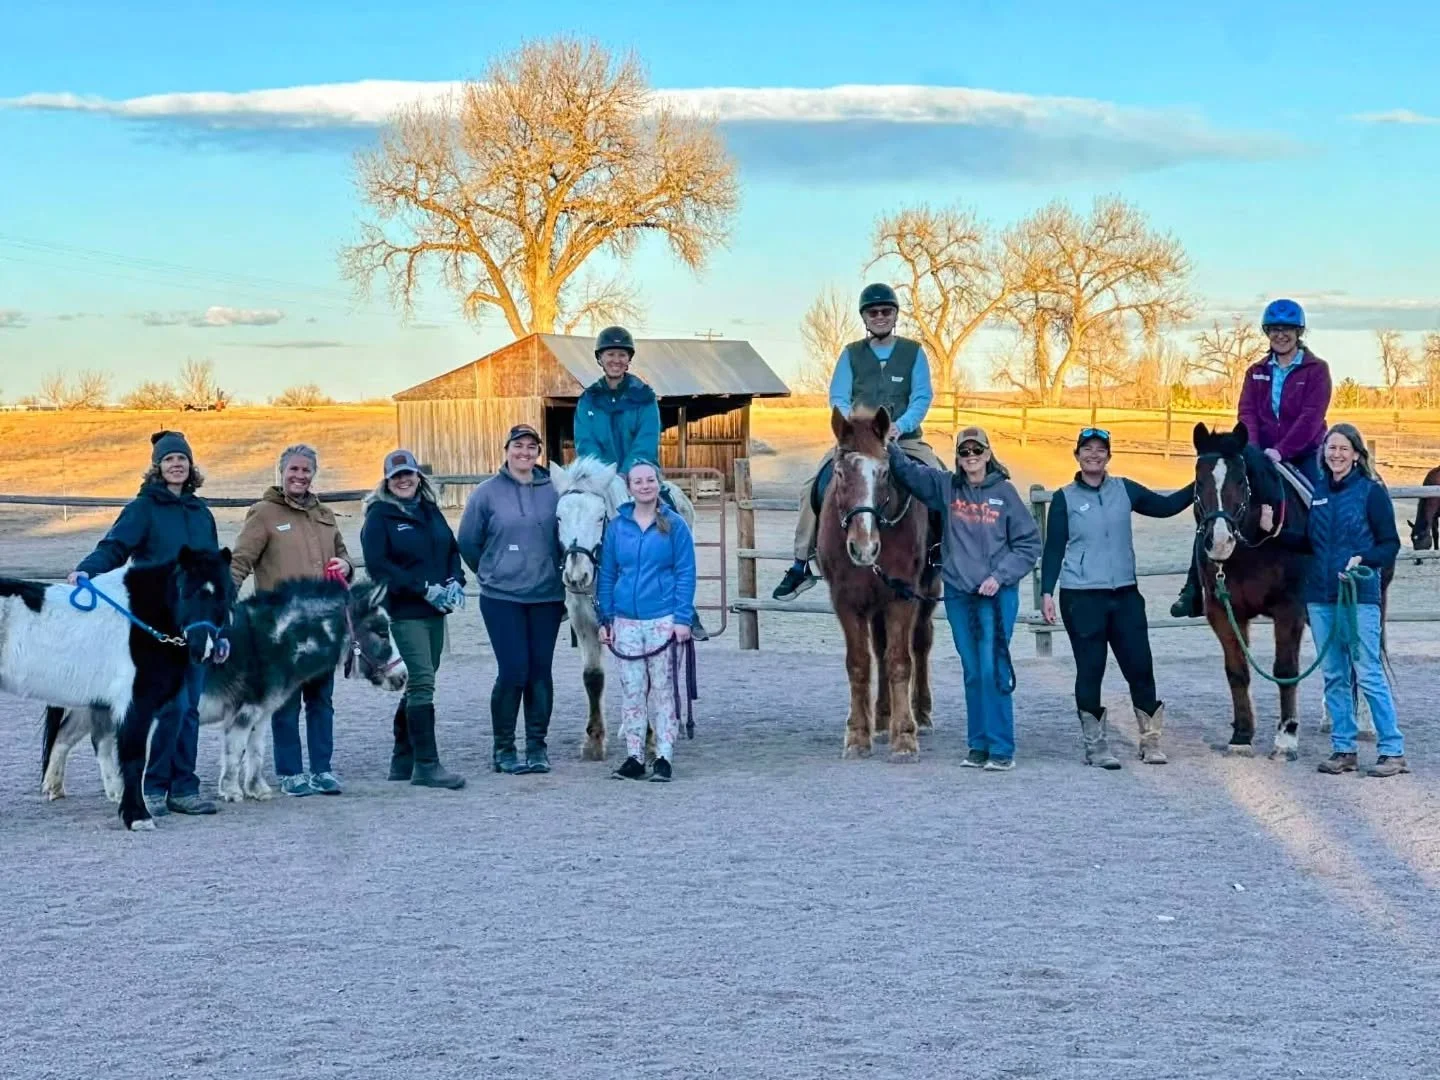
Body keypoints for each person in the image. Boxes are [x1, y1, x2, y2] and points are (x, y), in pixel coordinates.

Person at [68, 430, 220, 817]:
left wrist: (222, 629)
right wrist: (88, 570)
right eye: (169, 459)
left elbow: (213, 577)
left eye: (182, 459)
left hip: (197, 625)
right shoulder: (143, 509)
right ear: (158, 467)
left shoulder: (201, 514)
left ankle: (184, 787)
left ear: (191, 466)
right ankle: (152, 786)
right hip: (155, 628)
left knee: (190, 709)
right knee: (169, 706)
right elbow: (115, 546)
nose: (176, 465)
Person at [774, 282, 945, 601]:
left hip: (904, 439)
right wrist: (852, 431)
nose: (880, 316)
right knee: (812, 484)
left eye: (886, 311)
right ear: (865, 317)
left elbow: (922, 395)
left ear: (895, 315)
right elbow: (838, 396)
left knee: (939, 479)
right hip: (858, 441)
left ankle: (942, 551)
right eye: (873, 312)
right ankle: (801, 563)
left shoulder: (914, 352)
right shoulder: (851, 354)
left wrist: (901, 425)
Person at [1039, 429, 1195, 768]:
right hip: (1081, 597)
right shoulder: (1066, 498)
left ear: (1109, 456)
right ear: (1077, 455)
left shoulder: (1125, 490)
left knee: (1140, 666)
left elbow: (1166, 506)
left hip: (1124, 594)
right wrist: (1046, 592)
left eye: (1100, 450)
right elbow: (1053, 548)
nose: (1094, 455)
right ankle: (1095, 745)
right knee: (1090, 669)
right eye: (1087, 449)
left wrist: (1204, 479)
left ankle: (1150, 740)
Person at [888, 426, 1041, 771]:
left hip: (994, 596)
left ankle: (1001, 748)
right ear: (958, 457)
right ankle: (978, 745)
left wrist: (999, 577)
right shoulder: (947, 487)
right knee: (972, 670)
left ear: (988, 454)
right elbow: (911, 474)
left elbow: (1029, 544)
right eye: (964, 452)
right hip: (959, 594)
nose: (971, 457)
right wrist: (891, 444)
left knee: (992, 668)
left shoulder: (1005, 493)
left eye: (976, 451)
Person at [1172, 298, 1331, 616]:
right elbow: (1247, 414)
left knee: (1320, 507)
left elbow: (1311, 417)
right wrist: (1256, 453)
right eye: (1274, 329)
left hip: (1303, 453)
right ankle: (1193, 587)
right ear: (1267, 332)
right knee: (1216, 505)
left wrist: (1281, 451)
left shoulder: (1316, 370)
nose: (1280, 335)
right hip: (1260, 453)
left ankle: (1326, 581)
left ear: (1299, 332)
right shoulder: (1255, 371)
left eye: (1287, 329)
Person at [229, 443, 354, 796]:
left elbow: (343, 555)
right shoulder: (264, 514)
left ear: (313, 474)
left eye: (306, 470)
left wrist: (346, 565)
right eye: (293, 470)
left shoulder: (324, 515)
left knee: (321, 701)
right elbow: (241, 560)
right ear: (281, 473)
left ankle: (322, 769)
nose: (299, 476)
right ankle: (291, 773)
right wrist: (225, 596)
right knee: (286, 702)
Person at [574, 325, 709, 640]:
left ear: (628, 359)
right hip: (600, 476)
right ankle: (571, 592)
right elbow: (585, 440)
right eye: (610, 354)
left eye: (622, 355)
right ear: (600, 358)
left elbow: (647, 437)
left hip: (639, 470)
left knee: (670, 511)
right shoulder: (588, 399)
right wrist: (604, 473)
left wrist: (630, 473)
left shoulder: (644, 396)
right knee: (572, 517)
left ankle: (684, 606)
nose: (616, 360)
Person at [458, 423, 566, 776]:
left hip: (547, 596)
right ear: (506, 450)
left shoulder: (555, 489)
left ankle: (537, 745)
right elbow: (469, 542)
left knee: (540, 671)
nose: (524, 453)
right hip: (502, 597)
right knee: (513, 670)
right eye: (518, 446)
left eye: (531, 447)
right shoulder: (486, 494)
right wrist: (492, 571)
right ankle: (503, 748)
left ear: (538, 452)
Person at [360, 449, 467, 790]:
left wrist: (455, 580)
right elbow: (379, 566)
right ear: (387, 481)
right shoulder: (379, 517)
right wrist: (421, 587)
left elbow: (450, 549)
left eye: (408, 473)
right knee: (422, 681)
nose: (404, 480)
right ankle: (427, 765)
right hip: (404, 611)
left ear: (417, 475)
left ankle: (402, 757)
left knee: (423, 677)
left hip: (435, 611)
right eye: (396, 476)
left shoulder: (429, 510)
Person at [1307, 424, 1407, 778]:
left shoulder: (1371, 492)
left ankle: (1392, 749)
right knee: (1333, 674)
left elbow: (1389, 543)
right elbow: (1309, 543)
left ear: (1356, 454)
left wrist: (1363, 560)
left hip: (1358, 596)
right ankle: (1343, 748)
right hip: (1320, 597)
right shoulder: (1318, 492)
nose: (1336, 454)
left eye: (1343, 449)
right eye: (1331, 448)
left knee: (1367, 673)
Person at [597, 459, 697, 783]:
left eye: (650, 480)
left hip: (663, 619)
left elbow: (686, 572)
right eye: (638, 481)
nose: (644, 486)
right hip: (626, 621)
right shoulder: (617, 528)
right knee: (632, 691)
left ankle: (664, 755)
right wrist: (605, 618)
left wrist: (683, 618)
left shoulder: (674, 525)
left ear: (658, 483)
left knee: (665, 690)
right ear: (629, 488)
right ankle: (634, 756)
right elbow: (608, 574)